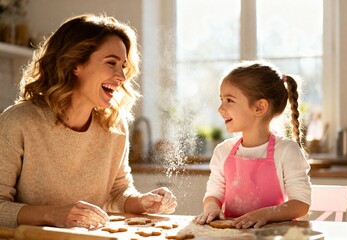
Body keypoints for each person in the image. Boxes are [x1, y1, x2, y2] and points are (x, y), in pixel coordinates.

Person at [0, 14, 177, 228]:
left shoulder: (114, 125)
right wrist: (51, 215)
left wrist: (142, 202)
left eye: (123, 65)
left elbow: (118, 192)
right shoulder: (18, 121)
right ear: (75, 64)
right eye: (111, 63)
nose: (121, 76)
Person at [194, 60, 311, 228]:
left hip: (273, 236)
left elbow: (300, 204)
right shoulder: (223, 151)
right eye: (221, 100)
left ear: (259, 107)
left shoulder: (287, 151)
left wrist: (266, 214)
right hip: (232, 236)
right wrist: (212, 207)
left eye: (229, 100)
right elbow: (214, 194)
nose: (220, 108)